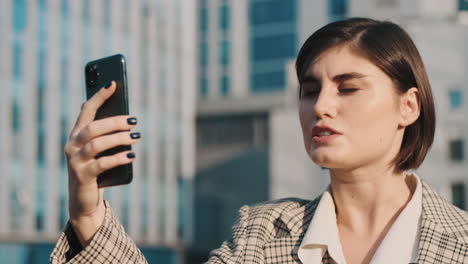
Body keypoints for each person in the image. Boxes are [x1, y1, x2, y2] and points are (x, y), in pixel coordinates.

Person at [50, 18, 468, 264]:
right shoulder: (260, 234)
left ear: (408, 107)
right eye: (309, 90)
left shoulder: (461, 243)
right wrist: (87, 214)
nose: (321, 106)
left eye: (348, 88)